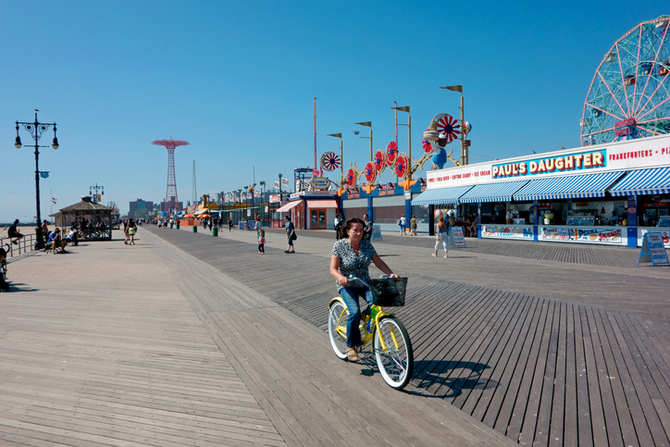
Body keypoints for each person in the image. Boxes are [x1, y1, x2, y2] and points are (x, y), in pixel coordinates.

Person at [330, 217, 398, 362]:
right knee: (353, 312)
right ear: (348, 231)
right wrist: (340, 277)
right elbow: (333, 268)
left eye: (361, 230)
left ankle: (365, 315)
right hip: (347, 284)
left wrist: (390, 273)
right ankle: (350, 346)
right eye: (356, 230)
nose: (359, 233)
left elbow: (378, 261)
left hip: (364, 282)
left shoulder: (366, 244)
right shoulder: (339, 245)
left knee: (377, 304)